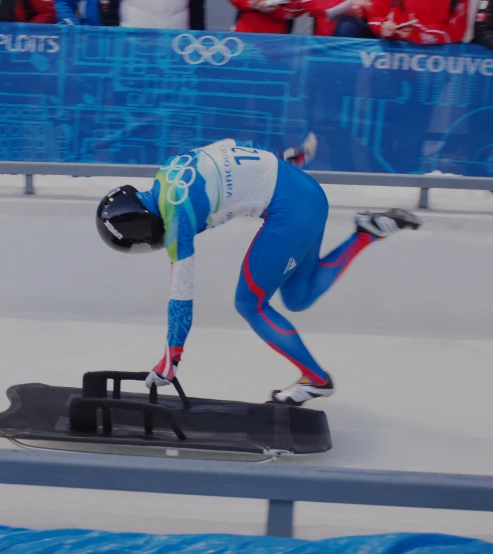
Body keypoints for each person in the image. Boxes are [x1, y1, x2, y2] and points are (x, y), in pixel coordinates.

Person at [95, 135, 422, 406]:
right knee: (298, 297)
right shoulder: (169, 170)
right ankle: (366, 233)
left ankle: (317, 379)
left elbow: (181, 299)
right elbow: (230, 149)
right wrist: (287, 157)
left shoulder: (177, 216)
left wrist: (171, 361)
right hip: (305, 193)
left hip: (291, 210)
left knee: (249, 304)